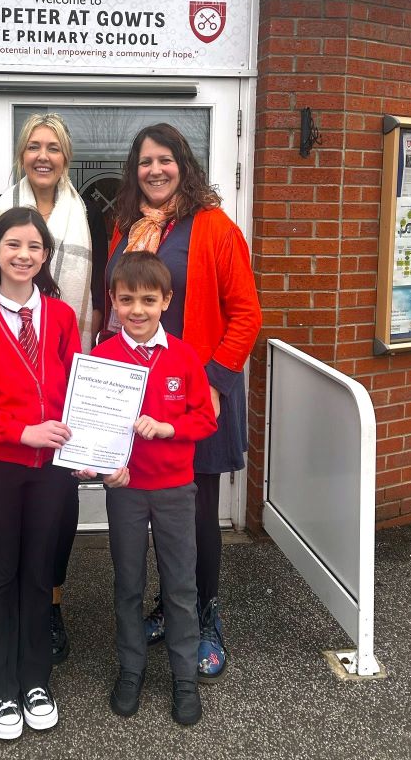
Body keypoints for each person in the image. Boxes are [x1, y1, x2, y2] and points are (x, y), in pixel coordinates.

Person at [106, 123, 262, 680]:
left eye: (165, 159)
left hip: (199, 394)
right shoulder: (126, 228)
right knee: (149, 507)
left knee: (194, 514)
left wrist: (216, 384)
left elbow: (246, 314)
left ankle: (203, 615)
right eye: (145, 160)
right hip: (137, 393)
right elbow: (117, 305)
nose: (155, 170)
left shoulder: (215, 226)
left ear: (183, 164)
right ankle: (166, 607)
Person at [0, 112, 108, 663]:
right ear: (21, 154)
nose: (43, 156)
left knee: (60, 511)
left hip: (66, 371)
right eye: (34, 146)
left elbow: (99, 300)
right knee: (12, 509)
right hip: (12, 375)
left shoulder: (89, 215)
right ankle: (10, 608)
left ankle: (50, 603)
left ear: (67, 156)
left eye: (53, 146)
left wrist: (95, 375)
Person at [0, 207, 81, 740]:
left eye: (34, 246)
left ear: (46, 255)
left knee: (38, 574)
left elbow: (80, 387)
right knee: (2, 574)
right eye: (13, 245)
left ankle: (34, 680)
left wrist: (92, 439)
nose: (23, 255)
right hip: (3, 467)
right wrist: (19, 431)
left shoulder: (62, 316)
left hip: (53, 472)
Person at [83, 251, 217, 725]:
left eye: (147, 300)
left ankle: (184, 676)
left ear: (166, 301)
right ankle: (131, 668)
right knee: (128, 584)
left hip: (175, 489)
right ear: (113, 304)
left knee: (180, 586)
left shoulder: (184, 356)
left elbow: (205, 417)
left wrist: (169, 428)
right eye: (126, 301)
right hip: (127, 490)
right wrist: (102, 469)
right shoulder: (101, 360)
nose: (136, 310)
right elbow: (91, 431)